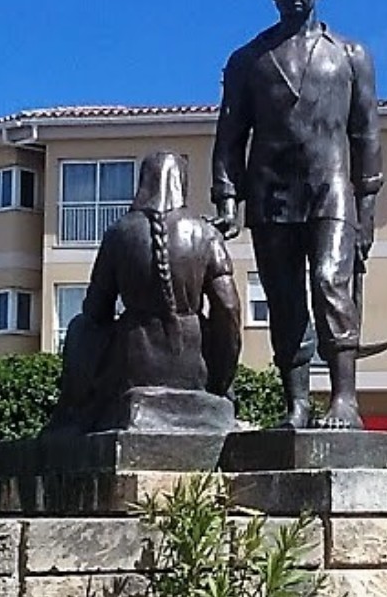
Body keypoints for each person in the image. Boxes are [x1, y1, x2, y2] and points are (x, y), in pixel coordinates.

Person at [212, 0, 383, 429]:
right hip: (270, 195)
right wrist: (227, 196)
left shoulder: (350, 55)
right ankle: (298, 403)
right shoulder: (248, 60)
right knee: (284, 298)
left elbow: (366, 134)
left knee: (331, 283)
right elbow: (230, 133)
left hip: (331, 191)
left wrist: (367, 210)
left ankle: (345, 399)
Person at [48, 151, 242, 433]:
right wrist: (222, 376)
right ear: (181, 184)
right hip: (195, 362)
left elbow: (96, 311)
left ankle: (73, 415)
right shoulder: (206, 233)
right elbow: (228, 309)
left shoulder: (119, 233)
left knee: (80, 328)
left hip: (133, 361)